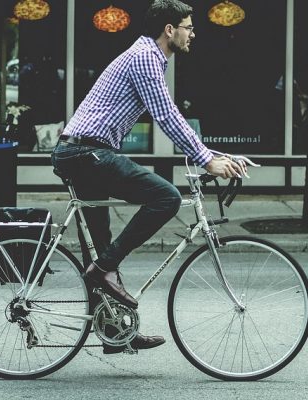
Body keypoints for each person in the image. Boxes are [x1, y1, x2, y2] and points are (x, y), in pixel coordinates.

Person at [51, 0, 246, 354]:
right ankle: (103, 271)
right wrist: (206, 160)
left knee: (100, 242)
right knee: (166, 197)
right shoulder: (145, 58)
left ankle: (113, 330)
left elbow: (169, 115)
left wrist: (219, 156)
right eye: (188, 26)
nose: (193, 33)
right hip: (86, 153)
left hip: (84, 152)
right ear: (169, 30)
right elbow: (167, 115)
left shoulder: (149, 57)